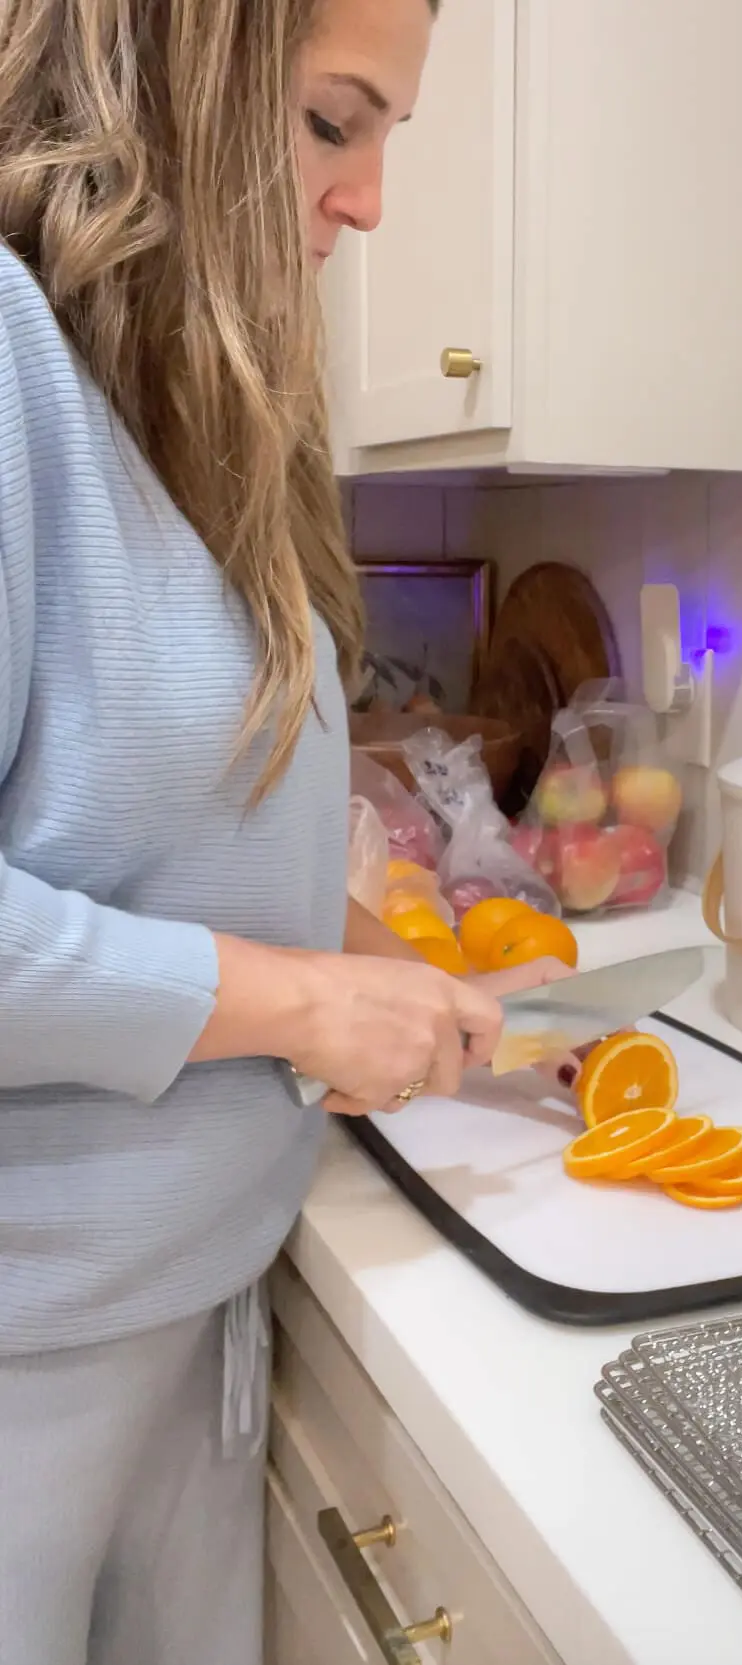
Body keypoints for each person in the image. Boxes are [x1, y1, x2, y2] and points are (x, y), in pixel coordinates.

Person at [0, 1, 555, 1660]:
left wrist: (390, 969)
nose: (369, 199)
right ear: (165, 63)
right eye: (332, 121)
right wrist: (309, 1005)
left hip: (198, 1301)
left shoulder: (187, 407)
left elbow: (185, 842)